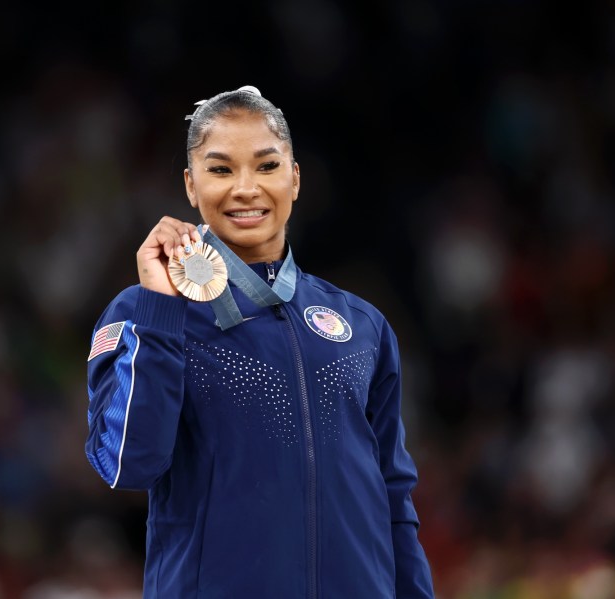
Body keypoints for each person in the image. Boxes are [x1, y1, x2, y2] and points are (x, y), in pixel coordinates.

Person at [85, 85, 435, 598]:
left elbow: (394, 500)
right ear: (190, 184)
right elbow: (127, 464)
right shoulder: (145, 313)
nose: (246, 188)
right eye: (221, 169)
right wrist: (160, 310)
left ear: (295, 179)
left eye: (267, 167)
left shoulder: (361, 324)